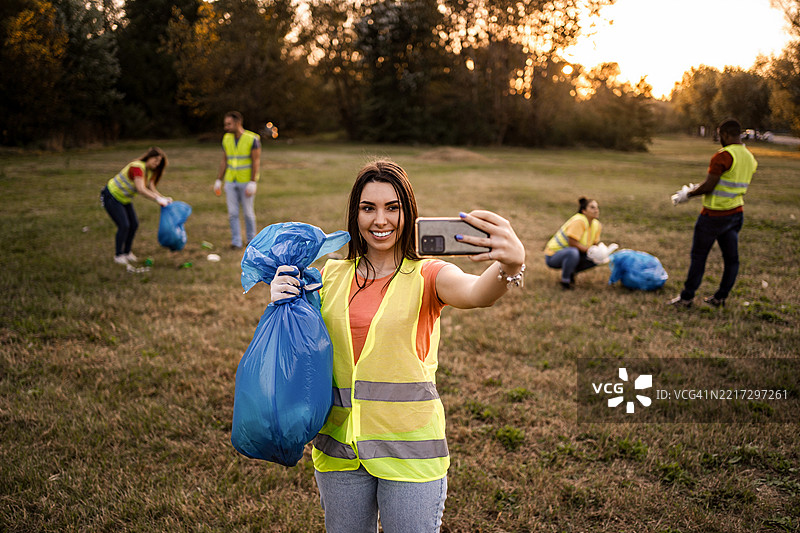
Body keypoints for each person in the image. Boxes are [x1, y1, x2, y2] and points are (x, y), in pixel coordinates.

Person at [269, 160, 526, 533]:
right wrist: (284, 302)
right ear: (354, 213)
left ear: (408, 211)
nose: (380, 220)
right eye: (368, 208)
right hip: (340, 450)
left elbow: (477, 293)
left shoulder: (428, 274)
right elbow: (298, 348)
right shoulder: (329, 275)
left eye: (393, 207)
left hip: (410, 452)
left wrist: (510, 266)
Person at [668, 118, 758, 308]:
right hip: (736, 213)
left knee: (699, 257)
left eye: (719, 136)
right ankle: (720, 297)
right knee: (731, 259)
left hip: (714, 215)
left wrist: (688, 194)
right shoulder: (750, 157)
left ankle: (686, 298)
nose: (719, 140)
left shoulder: (723, 156)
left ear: (725, 134)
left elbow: (709, 185)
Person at [100, 147, 171, 266]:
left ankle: (127, 252)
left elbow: (151, 188)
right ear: (148, 157)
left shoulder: (150, 171)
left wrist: (163, 198)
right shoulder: (137, 167)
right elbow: (141, 189)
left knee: (134, 224)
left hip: (124, 199)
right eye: (155, 160)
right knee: (124, 225)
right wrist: (158, 199)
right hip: (112, 196)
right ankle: (119, 255)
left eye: (159, 162)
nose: (157, 163)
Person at [213, 111, 261, 249]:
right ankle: (236, 242)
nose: (226, 127)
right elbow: (224, 160)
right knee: (233, 213)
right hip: (230, 181)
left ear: (238, 123)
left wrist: (253, 182)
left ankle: (252, 242)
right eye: (225, 124)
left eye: (229, 124)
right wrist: (218, 180)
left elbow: (255, 161)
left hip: (246, 182)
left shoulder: (252, 139)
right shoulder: (226, 138)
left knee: (248, 212)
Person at [543, 197, 603, 289]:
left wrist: (600, 253)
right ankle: (565, 281)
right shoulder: (579, 221)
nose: (596, 210)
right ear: (584, 211)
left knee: (599, 257)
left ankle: (571, 272)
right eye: (592, 207)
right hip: (553, 255)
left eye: (597, 207)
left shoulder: (597, 225)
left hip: (573, 254)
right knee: (573, 252)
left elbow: (594, 245)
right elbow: (572, 243)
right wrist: (591, 250)